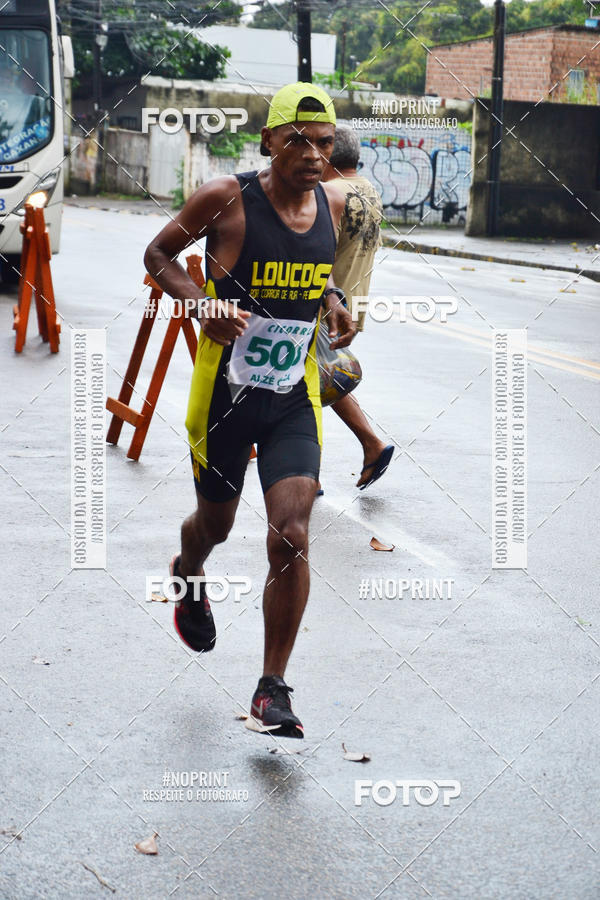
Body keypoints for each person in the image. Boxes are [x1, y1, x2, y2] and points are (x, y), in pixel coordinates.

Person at [144, 83, 356, 739]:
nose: (313, 154)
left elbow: (311, 268)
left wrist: (333, 298)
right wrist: (201, 303)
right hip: (224, 399)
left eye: (324, 143)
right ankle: (189, 568)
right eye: (298, 139)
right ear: (269, 141)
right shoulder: (227, 198)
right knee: (216, 523)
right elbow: (159, 256)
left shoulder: (331, 204)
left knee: (290, 535)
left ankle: (272, 689)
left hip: (292, 397)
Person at [321, 125, 393, 490]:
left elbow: (317, 254)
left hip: (328, 306)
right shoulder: (369, 191)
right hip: (355, 302)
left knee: (309, 383)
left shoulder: (328, 193)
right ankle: (308, 472)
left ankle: (371, 444)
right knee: (314, 382)